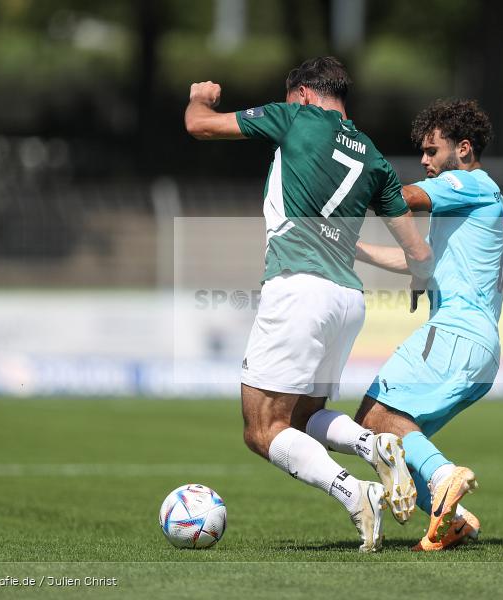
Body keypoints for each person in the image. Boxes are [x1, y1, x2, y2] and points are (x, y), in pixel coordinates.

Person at [184, 56, 434, 552]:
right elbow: (419, 252)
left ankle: (353, 490)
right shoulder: (374, 158)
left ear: (302, 94)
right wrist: (420, 281)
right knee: (300, 420)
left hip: (298, 287)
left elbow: (200, 127)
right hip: (346, 298)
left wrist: (199, 96)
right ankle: (373, 444)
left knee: (261, 429)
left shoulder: (297, 116)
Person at [303, 98, 503, 551]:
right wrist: (352, 246)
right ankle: (450, 517)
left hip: (455, 333)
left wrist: (351, 187)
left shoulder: (468, 181)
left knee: (377, 419)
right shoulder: (474, 199)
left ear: (465, 149)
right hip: (477, 345)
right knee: (382, 433)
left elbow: (403, 198)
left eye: (433, 150)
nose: (424, 159)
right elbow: (422, 259)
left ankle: (443, 477)